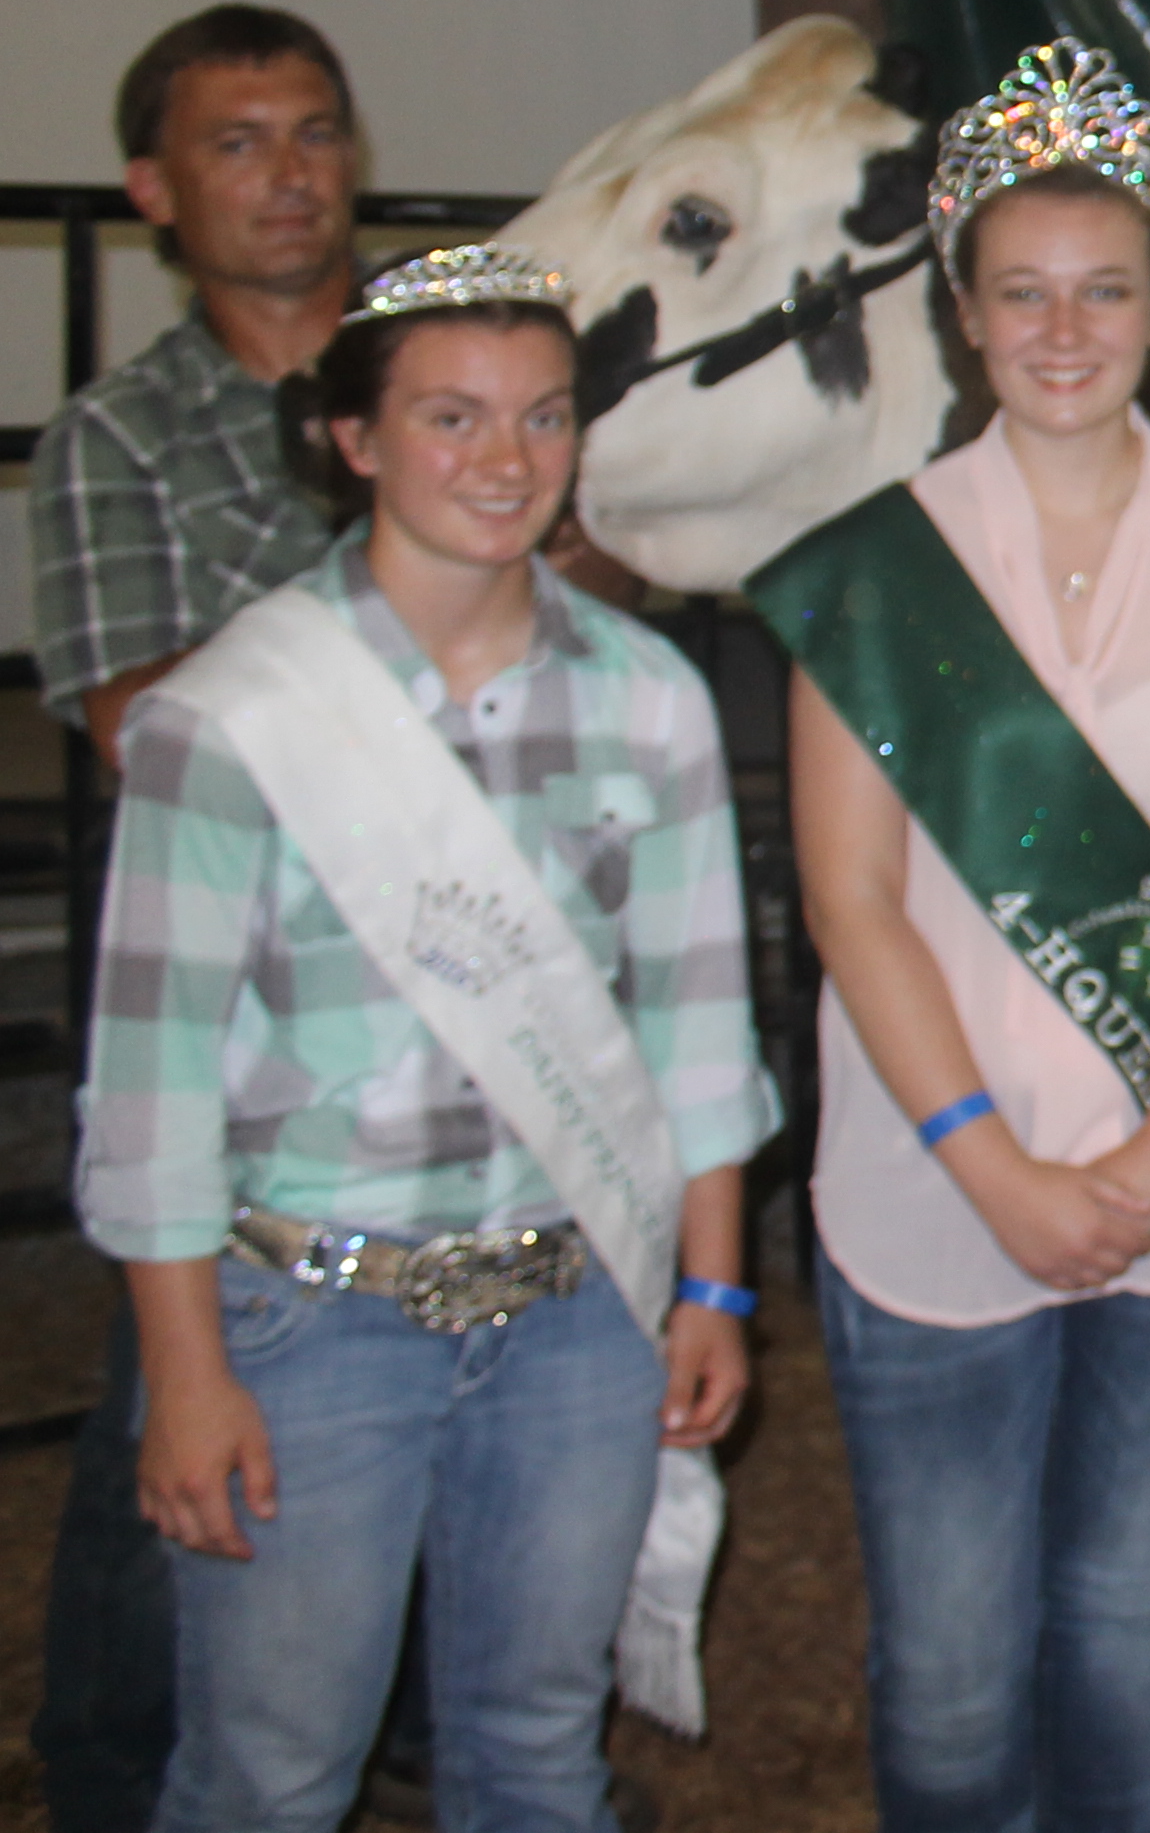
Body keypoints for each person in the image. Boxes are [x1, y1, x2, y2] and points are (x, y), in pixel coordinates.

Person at [80, 242, 773, 1833]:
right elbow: (151, 1083)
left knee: (539, 1752)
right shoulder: (238, 714)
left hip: (578, 1309)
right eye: (451, 418)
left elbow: (696, 1024)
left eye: (544, 417)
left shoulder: (649, 697)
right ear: (356, 439)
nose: (506, 461)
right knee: (270, 1778)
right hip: (309, 1319)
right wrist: (182, 1374)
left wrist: (713, 1284)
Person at [761, 42, 1150, 1833]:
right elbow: (851, 903)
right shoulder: (871, 567)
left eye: (1104, 289)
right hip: (934, 1180)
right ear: (961, 314)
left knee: (1113, 1612)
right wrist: (993, 1165)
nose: (1063, 329)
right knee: (948, 1670)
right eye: (1021, 292)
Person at [29, 3, 361, 1833]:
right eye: (238, 143)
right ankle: (108, 1760)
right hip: (238, 983)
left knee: (464, 1342)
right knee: (178, 1364)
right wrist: (395, 604)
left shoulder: (461, 367)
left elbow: (594, 585)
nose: (289, 174)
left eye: (313, 131)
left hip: (472, 947)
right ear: (154, 191)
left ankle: (411, 1721)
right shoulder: (120, 433)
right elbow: (129, 719)